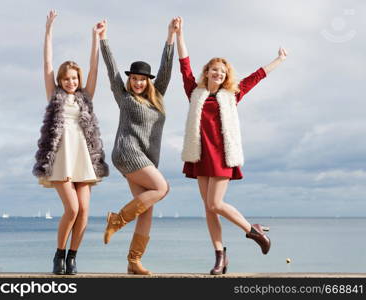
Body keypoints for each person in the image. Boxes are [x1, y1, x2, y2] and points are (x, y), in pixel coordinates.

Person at [174, 17, 287, 275]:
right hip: (200, 154)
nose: (219, 74)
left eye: (223, 72)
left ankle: (252, 230)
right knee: (208, 208)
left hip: (223, 155)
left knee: (215, 203)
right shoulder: (194, 91)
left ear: (226, 77)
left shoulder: (233, 94)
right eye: (214, 70)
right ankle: (219, 256)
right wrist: (180, 34)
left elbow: (257, 77)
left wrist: (279, 59)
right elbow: (184, 65)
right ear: (207, 72)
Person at [32, 10, 109, 275]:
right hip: (60, 159)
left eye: (74, 78)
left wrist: (95, 38)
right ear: (60, 81)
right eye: (67, 79)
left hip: (83, 158)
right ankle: (59, 254)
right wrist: (48, 30)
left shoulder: (85, 97)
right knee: (72, 208)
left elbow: (95, 68)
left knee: (84, 211)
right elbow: (47, 64)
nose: (71, 82)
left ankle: (73, 257)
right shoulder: (54, 95)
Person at [98, 18, 176, 275]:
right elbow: (112, 73)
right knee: (162, 188)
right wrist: (103, 40)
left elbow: (166, 70)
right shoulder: (125, 98)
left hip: (146, 159)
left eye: (143, 79)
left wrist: (170, 37)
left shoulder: (158, 97)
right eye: (134, 79)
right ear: (130, 80)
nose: (138, 83)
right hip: (128, 152)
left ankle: (134, 262)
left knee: (146, 210)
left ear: (148, 82)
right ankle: (116, 220)